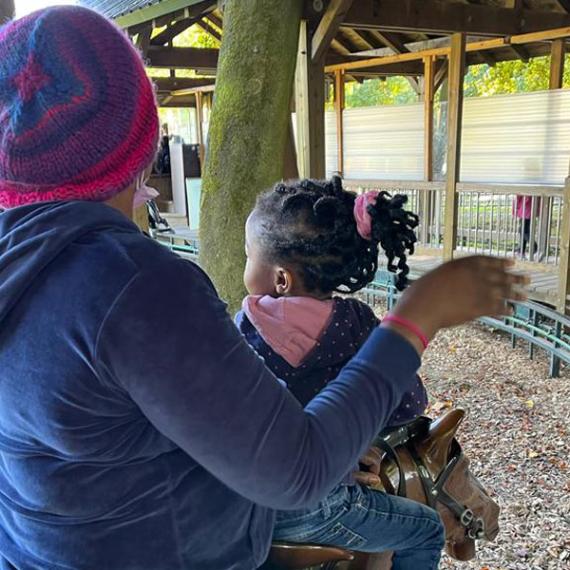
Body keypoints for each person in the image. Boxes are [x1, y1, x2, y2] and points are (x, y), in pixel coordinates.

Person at [0, 6, 527, 570]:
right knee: (418, 530)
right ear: (139, 146)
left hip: (39, 548)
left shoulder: (25, 259)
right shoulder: (135, 285)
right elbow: (294, 471)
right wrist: (417, 315)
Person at [236, 178, 441, 568]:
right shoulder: (358, 324)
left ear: (281, 279)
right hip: (320, 505)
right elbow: (410, 402)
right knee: (428, 529)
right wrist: (359, 436)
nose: (245, 263)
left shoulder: (243, 325)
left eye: (248, 255)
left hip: (246, 501)